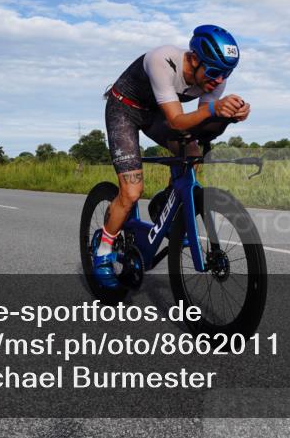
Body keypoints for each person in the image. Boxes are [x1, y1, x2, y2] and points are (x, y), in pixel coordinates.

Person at [93, 24, 250, 288]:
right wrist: (214, 108)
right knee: (131, 192)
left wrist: (228, 117)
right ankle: (102, 250)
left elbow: (200, 128)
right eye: (214, 72)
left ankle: (166, 204)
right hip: (125, 110)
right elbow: (177, 121)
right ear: (194, 58)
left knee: (192, 152)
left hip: (156, 114)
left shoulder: (215, 78)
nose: (219, 81)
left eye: (227, 74)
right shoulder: (162, 59)